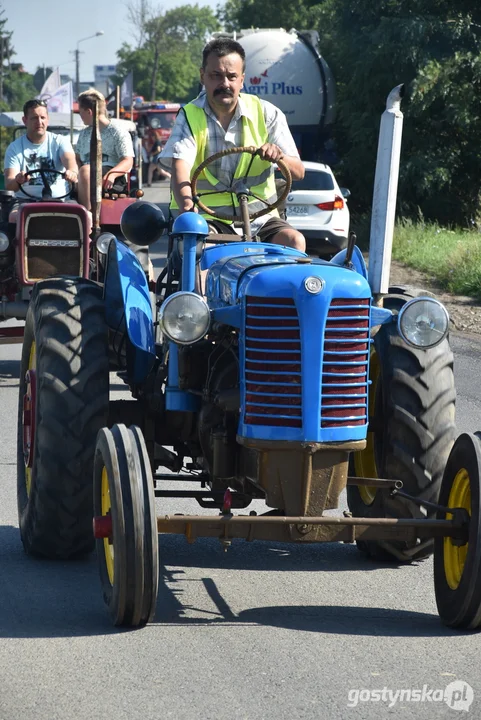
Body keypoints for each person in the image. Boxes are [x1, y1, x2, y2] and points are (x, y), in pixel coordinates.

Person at [159, 37, 306, 251]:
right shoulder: (189, 116)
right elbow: (180, 168)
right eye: (216, 76)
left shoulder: (267, 113)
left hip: (261, 219)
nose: (224, 84)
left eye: (231, 76)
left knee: (294, 241)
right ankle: (200, 284)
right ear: (203, 76)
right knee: (200, 248)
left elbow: (299, 172)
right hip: (209, 218)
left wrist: (279, 156)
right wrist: (190, 215)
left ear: (242, 80)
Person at [4, 99, 78, 206]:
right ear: (25, 120)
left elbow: (71, 165)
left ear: (47, 119)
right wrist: (18, 180)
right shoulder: (14, 148)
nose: (39, 122)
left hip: (61, 200)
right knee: (14, 216)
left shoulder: (60, 141)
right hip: (24, 202)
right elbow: (9, 184)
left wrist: (71, 173)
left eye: (42, 117)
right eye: (34, 118)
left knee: (84, 216)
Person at [75, 89, 135, 209]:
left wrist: (111, 175)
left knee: (86, 171)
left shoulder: (118, 132)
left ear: (89, 111)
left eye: (80, 112)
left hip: (112, 178)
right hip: (84, 176)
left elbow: (128, 161)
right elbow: (77, 159)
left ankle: (87, 216)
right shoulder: (84, 134)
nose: (79, 115)